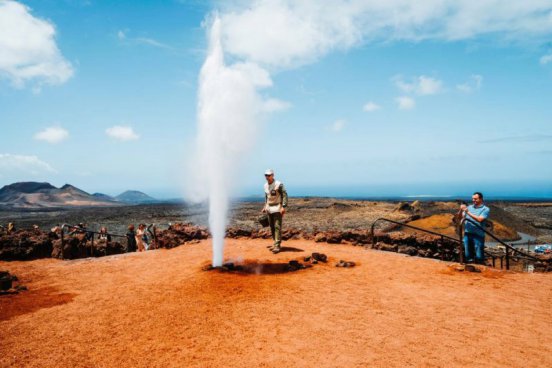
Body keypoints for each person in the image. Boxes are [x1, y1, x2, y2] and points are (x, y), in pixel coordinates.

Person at [262, 169, 288, 254]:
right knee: (272, 227)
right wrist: (265, 206)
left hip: (277, 207)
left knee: (277, 226)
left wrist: (283, 207)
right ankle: (275, 242)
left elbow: (284, 195)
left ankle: (277, 245)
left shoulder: (279, 184)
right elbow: (267, 197)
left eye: (269, 175)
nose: (267, 177)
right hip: (269, 208)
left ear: (273, 175)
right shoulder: (265, 185)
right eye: (266, 175)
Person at [460, 192, 490, 264]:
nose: (473, 200)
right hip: (467, 233)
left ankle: (481, 269)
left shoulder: (485, 209)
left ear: (481, 199)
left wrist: (467, 212)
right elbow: (461, 217)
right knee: (467, 254)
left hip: (478, 235)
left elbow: (480, 219)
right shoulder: (469, 207)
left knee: (479, 255)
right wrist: (461, 210)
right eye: (473, 199)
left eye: (475, 199)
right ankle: (470, 269)